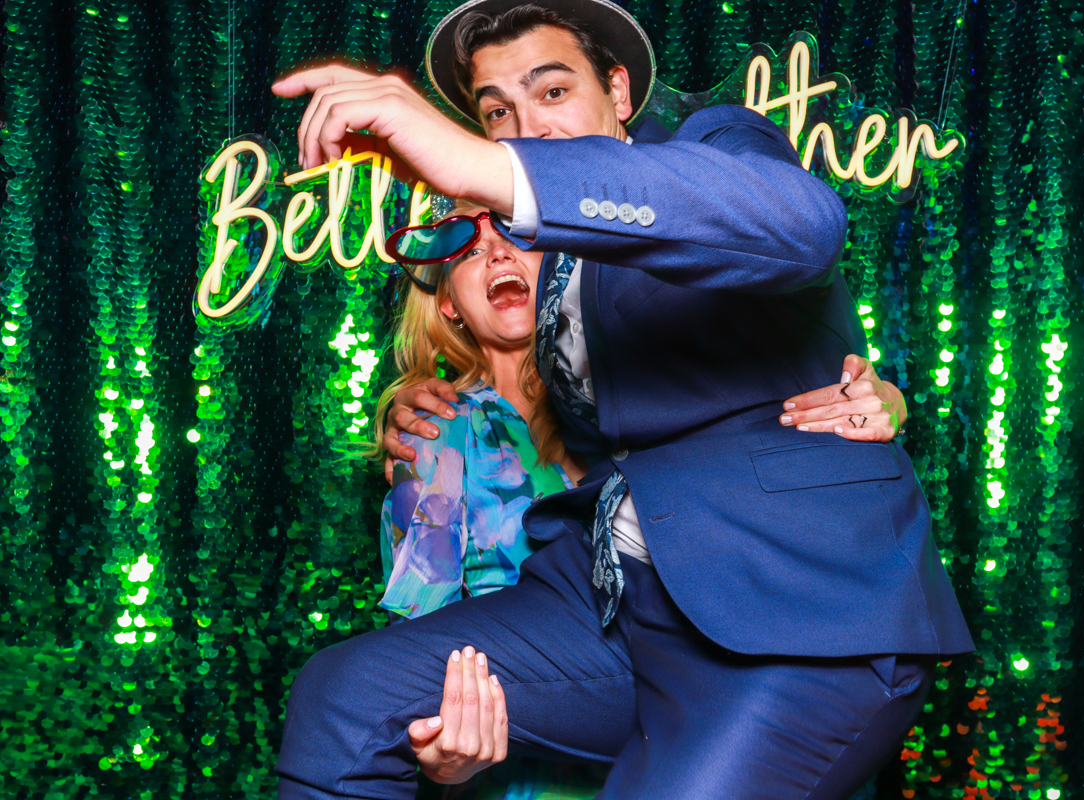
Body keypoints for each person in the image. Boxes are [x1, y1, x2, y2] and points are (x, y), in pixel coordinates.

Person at [271, 1, 974, 798]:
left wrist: (885, 396)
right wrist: (419, 396)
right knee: (346, 695)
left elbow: (801, 226)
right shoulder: (539, 274)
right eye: (496, 112)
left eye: (552, 91)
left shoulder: (713, 143)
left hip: (794, 619)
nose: (524, 126)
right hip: (608, 607)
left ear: (620, 91)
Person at [368, 199, 606, 798]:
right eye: (469, 250)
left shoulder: (652, 399)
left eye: (515, 233)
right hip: (524, 771)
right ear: (448, 301)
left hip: (677, 749)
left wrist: (877, 397)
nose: (497, 251)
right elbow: (423, 654)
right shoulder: (438, 434)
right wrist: (445, 757)